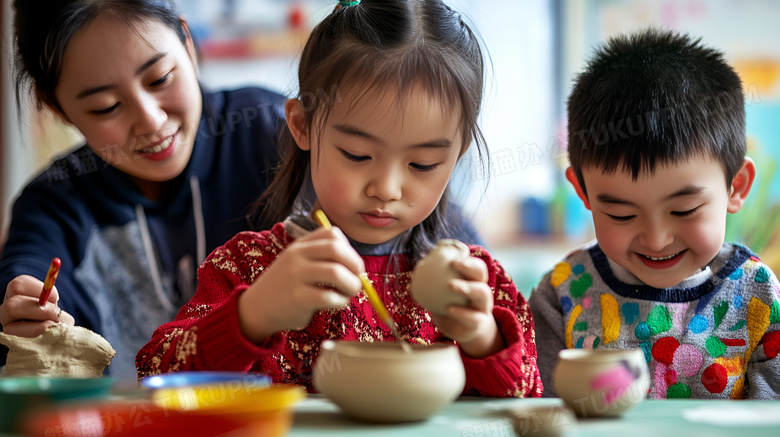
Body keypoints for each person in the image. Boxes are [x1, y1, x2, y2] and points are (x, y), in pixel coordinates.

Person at [0, 0, 483, 382]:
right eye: (106, 106)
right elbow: (25, 306)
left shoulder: (276, 134)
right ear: (56, 106)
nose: (150, 120)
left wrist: (477, 319)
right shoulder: (54, 206)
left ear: (187, 43)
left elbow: (446, 250)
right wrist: (23, 315)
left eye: (160, 78)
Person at [137, 0, 543, 398]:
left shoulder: (476, 282)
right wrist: (253, 316)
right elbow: (154, 375)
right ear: (302, 125)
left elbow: (530, 398)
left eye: (423, 164)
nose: (386, 188)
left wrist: (482, 337)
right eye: (357, 155)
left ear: (458, 152)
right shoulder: (252, 268)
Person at [529, 28, 780, 400]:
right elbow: (542, 411)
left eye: (684, 210)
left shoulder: (758, 296)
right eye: (621, 215)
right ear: (582, 192)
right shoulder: (564, 293)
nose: (656, 239)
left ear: (736, 186)